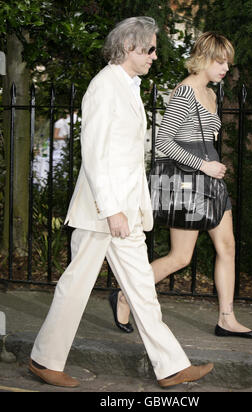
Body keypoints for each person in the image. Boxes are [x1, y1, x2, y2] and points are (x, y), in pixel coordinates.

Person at [28, 17, 214, 389]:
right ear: (129, 47)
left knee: (142, 289)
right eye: (150, 49)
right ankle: (43, 360)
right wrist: (111, 208)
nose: (154, 56)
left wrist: (129, 208)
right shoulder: (104, 86)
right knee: (76, 286)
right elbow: (95, 154)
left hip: (125, 211)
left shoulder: (127, 85)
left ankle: (171, 367)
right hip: (104, 211)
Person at [111, 31, 252, 340]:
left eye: (227, 63)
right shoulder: (185, 93)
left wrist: (211, 167)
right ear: (204, 58)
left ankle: (226, 319)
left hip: (212, 183)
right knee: (181, 258)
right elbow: (164, 141)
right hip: (188, 184)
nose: (225, 68)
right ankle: (125, 294)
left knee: (228, 247)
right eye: (220, 61)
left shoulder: (211, 92)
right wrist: (204, 164)